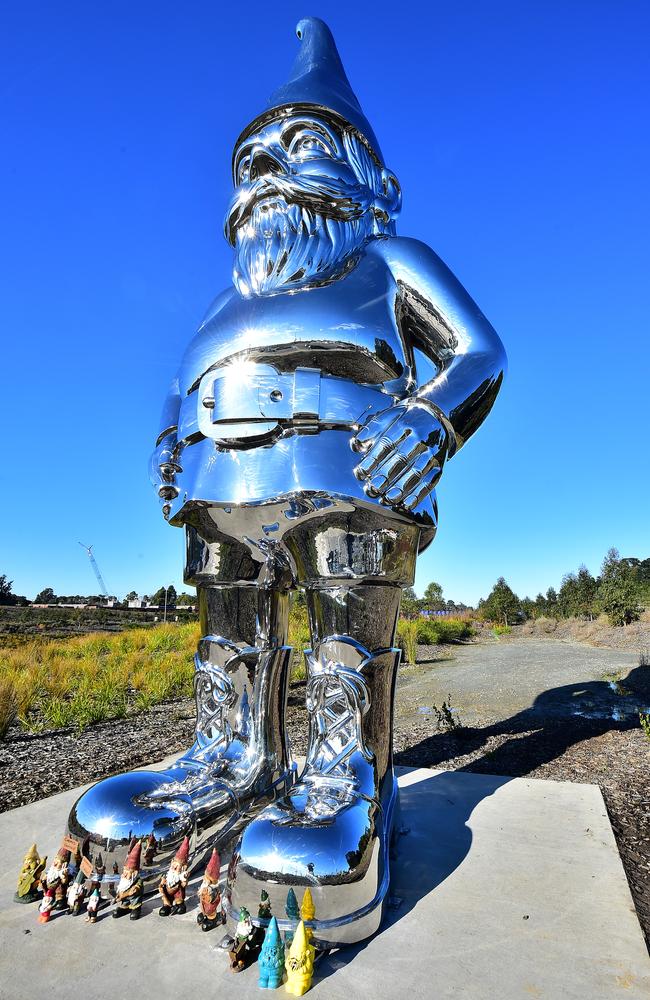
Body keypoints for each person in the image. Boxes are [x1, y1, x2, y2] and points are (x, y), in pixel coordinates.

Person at [65, 16, 505, 945]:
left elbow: (477, 350)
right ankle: (232, 759)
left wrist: (427, 417)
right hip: (225, 496)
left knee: (341, 643)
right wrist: (166, 442)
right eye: (251, 155)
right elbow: (182, 378)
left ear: (368, 177)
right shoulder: (232, 296)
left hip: (349, 484)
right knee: (227, 643)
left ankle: (348, 787)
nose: (266, 167)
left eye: (298, 144)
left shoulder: (389, 262)